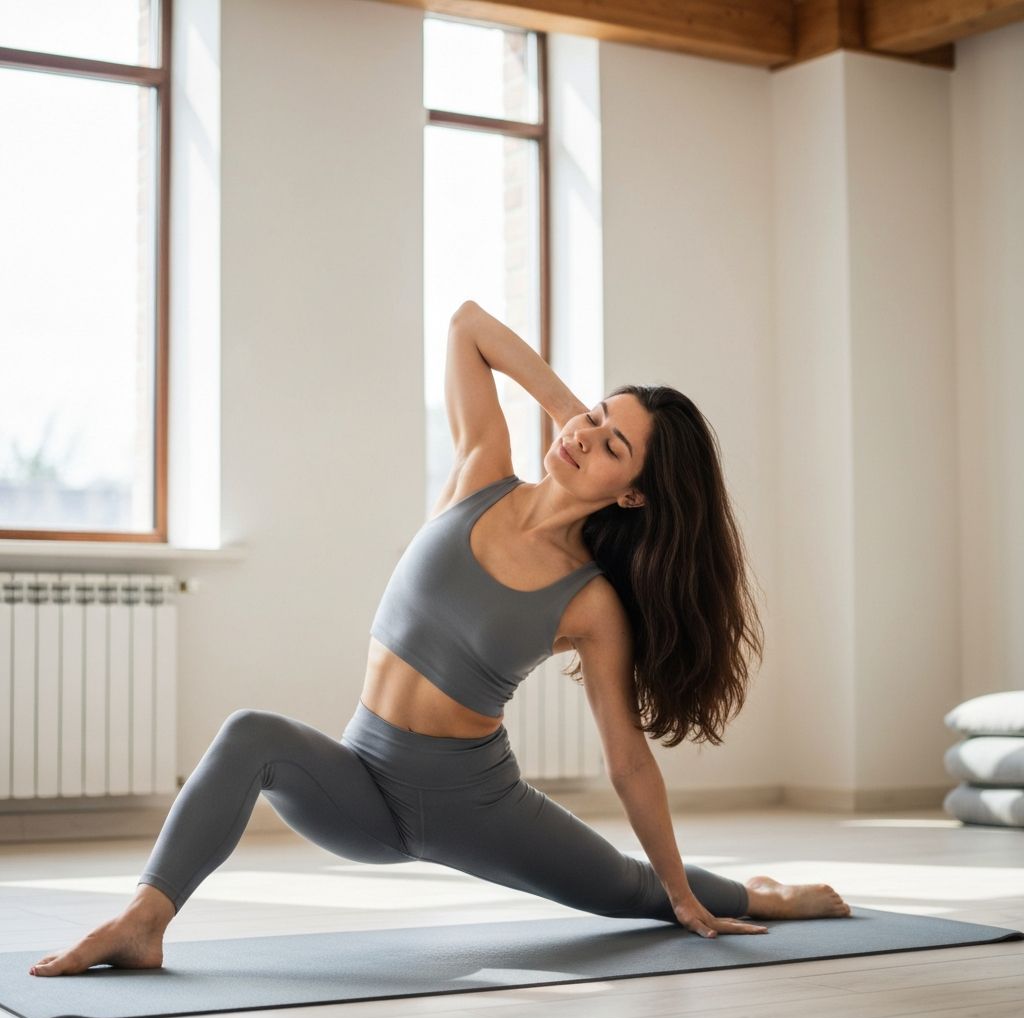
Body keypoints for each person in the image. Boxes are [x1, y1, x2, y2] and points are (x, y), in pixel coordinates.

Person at [29, 300, 849, 977]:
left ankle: (762, 896)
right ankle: (143, 920)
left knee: (641, 896)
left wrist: (681, 889)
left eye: (612, 446)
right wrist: (566, 404)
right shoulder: (480, 472)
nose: (583, 437)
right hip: (361, 787)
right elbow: (466, 326)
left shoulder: (592, 602)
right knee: (250, 735)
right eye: (594, 417)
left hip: (473, 806)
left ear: (633, 496)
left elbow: (627, 758)